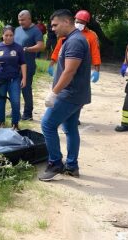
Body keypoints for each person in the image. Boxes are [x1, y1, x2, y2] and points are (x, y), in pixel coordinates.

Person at [39, 9, 91, 181]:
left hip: (69, 94)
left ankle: (55, 163)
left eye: (55, 25)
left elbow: (69, 71)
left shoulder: (75, 41)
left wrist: (53, 93)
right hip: (76, 94)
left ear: (67, 22)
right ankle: (72, 166)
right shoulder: (70, 39)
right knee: (70, 129)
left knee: (47, 124)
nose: (52, 28)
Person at [0, 25, 27, 129]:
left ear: (14, 36)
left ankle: (15, 123)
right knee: (1, 100)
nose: (8, 37)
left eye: (11, 35)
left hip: (14, 79)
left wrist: (24, 78)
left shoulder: (18, 48)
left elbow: (23, 63)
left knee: (15, 101)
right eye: (6, 35)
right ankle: (1, 122)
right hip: (0, 80)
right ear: (2, 35)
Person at [48, 10, 101, 83]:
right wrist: (51, 64)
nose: (79, 24)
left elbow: (95, 53)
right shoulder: (66, 33)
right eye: (77, 22)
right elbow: (57, 50)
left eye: (82, 23)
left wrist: (97, 70)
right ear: (74, 20)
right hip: (66, 65)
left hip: (82, 67)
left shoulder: (91, 36)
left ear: (86, 23)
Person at [14, 10, 44, 121]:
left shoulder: (36, 31)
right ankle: (15, 110)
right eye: (19, 20)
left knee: (25, 89)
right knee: (14, 89)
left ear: (29, 19)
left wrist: (27, 49)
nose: (21, 22)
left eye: (23, 20)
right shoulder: (17, 30)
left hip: (28, 66)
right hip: (14, 65)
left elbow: (41, 46)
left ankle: (28, 113)